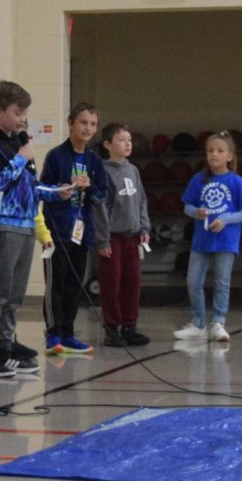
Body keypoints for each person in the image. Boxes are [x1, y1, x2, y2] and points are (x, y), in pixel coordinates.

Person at [0, 80, 43, 378]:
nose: (23, 118)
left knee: (15, 293)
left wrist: (56, 192)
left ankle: (6, 342)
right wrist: (20, 159)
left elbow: (30, 185)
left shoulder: (18, 142)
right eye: (17, 111)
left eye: (25, 112)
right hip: (3, 223)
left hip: (26, 223)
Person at [40, 102, 107, 354]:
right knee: (56, 283)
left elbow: (102, 197)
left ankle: (68, 332)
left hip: (82, 231)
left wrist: (89, 188)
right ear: (70, 123)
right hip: (58, 229)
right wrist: (62, 191)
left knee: (75, 283)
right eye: (83, 122)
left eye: (92, 124)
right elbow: (43, 190)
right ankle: (53, 333)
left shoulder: (94, 161)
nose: (87, 128)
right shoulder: (56, 156)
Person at [175, 131, 242, 342]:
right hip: (201, 241)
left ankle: (218, 322)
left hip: (226, 242)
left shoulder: (237, 182)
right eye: (210, 150)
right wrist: (196, 212)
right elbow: (187, 207)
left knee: (221, 283)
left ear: (229, 156)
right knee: (193, 282)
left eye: (219, 151)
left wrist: (226, 219)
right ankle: (198, 323)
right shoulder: (198, 179)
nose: (214, 154)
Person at [93, 123, 151, 347]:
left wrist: (144, 227)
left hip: (132, 236)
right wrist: (103, 238)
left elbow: (141, 201)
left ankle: (130, 326)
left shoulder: (133, 170)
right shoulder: (103, 171)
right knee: (111, 283)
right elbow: (101, 207)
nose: (127, 143)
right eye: (121, 139)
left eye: (129, 139)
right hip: (113, 238)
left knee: (132, 281)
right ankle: (112, 327)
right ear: (108, 144)